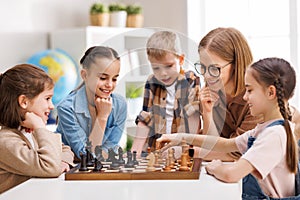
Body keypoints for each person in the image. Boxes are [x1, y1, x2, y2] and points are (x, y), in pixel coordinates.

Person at [157, 57, 299, 199]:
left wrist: (215, 168)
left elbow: (232, 174)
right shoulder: (264, 129)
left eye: (249, 90)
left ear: (270, 93)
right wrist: (179, 138)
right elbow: (225, 144)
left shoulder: (274, 135)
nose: (244, 97)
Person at [0, 64, 74, 193]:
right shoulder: (6, 142)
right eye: (47, 99)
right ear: (24, 102)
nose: (51, 106)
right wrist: (40, 127)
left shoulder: (31, 132)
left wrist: (61, 163)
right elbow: (50, 167)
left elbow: (65, 149)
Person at [194, 27, 263, 161]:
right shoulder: (213, 91)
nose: (207, 76)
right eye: (202, 67)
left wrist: (193, 152)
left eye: (215, 68)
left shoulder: (257, 97)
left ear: (236, 65)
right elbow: (213, 145)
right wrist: (207, 113)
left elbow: (238, 152)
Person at [131, 30, 201, 158]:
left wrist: (182, 147)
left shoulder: (190, 80)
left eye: (168, 66)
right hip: (154, 151)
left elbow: (193, 119)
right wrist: (135, 152)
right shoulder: (151, 82)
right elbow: (145, 119)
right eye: (156, 68)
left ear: (181, 59)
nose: (163, 73)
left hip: (182, 152)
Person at [56, 46, 127, 159]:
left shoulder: (120, 104)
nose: (109, 84)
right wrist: (102, 117)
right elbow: (86, 156)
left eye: (114, 79)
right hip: (70, 170)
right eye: (103, 78)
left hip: (101, 167)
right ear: (85, 75)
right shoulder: (66, 108)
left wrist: (101, 155)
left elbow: (111, 148)